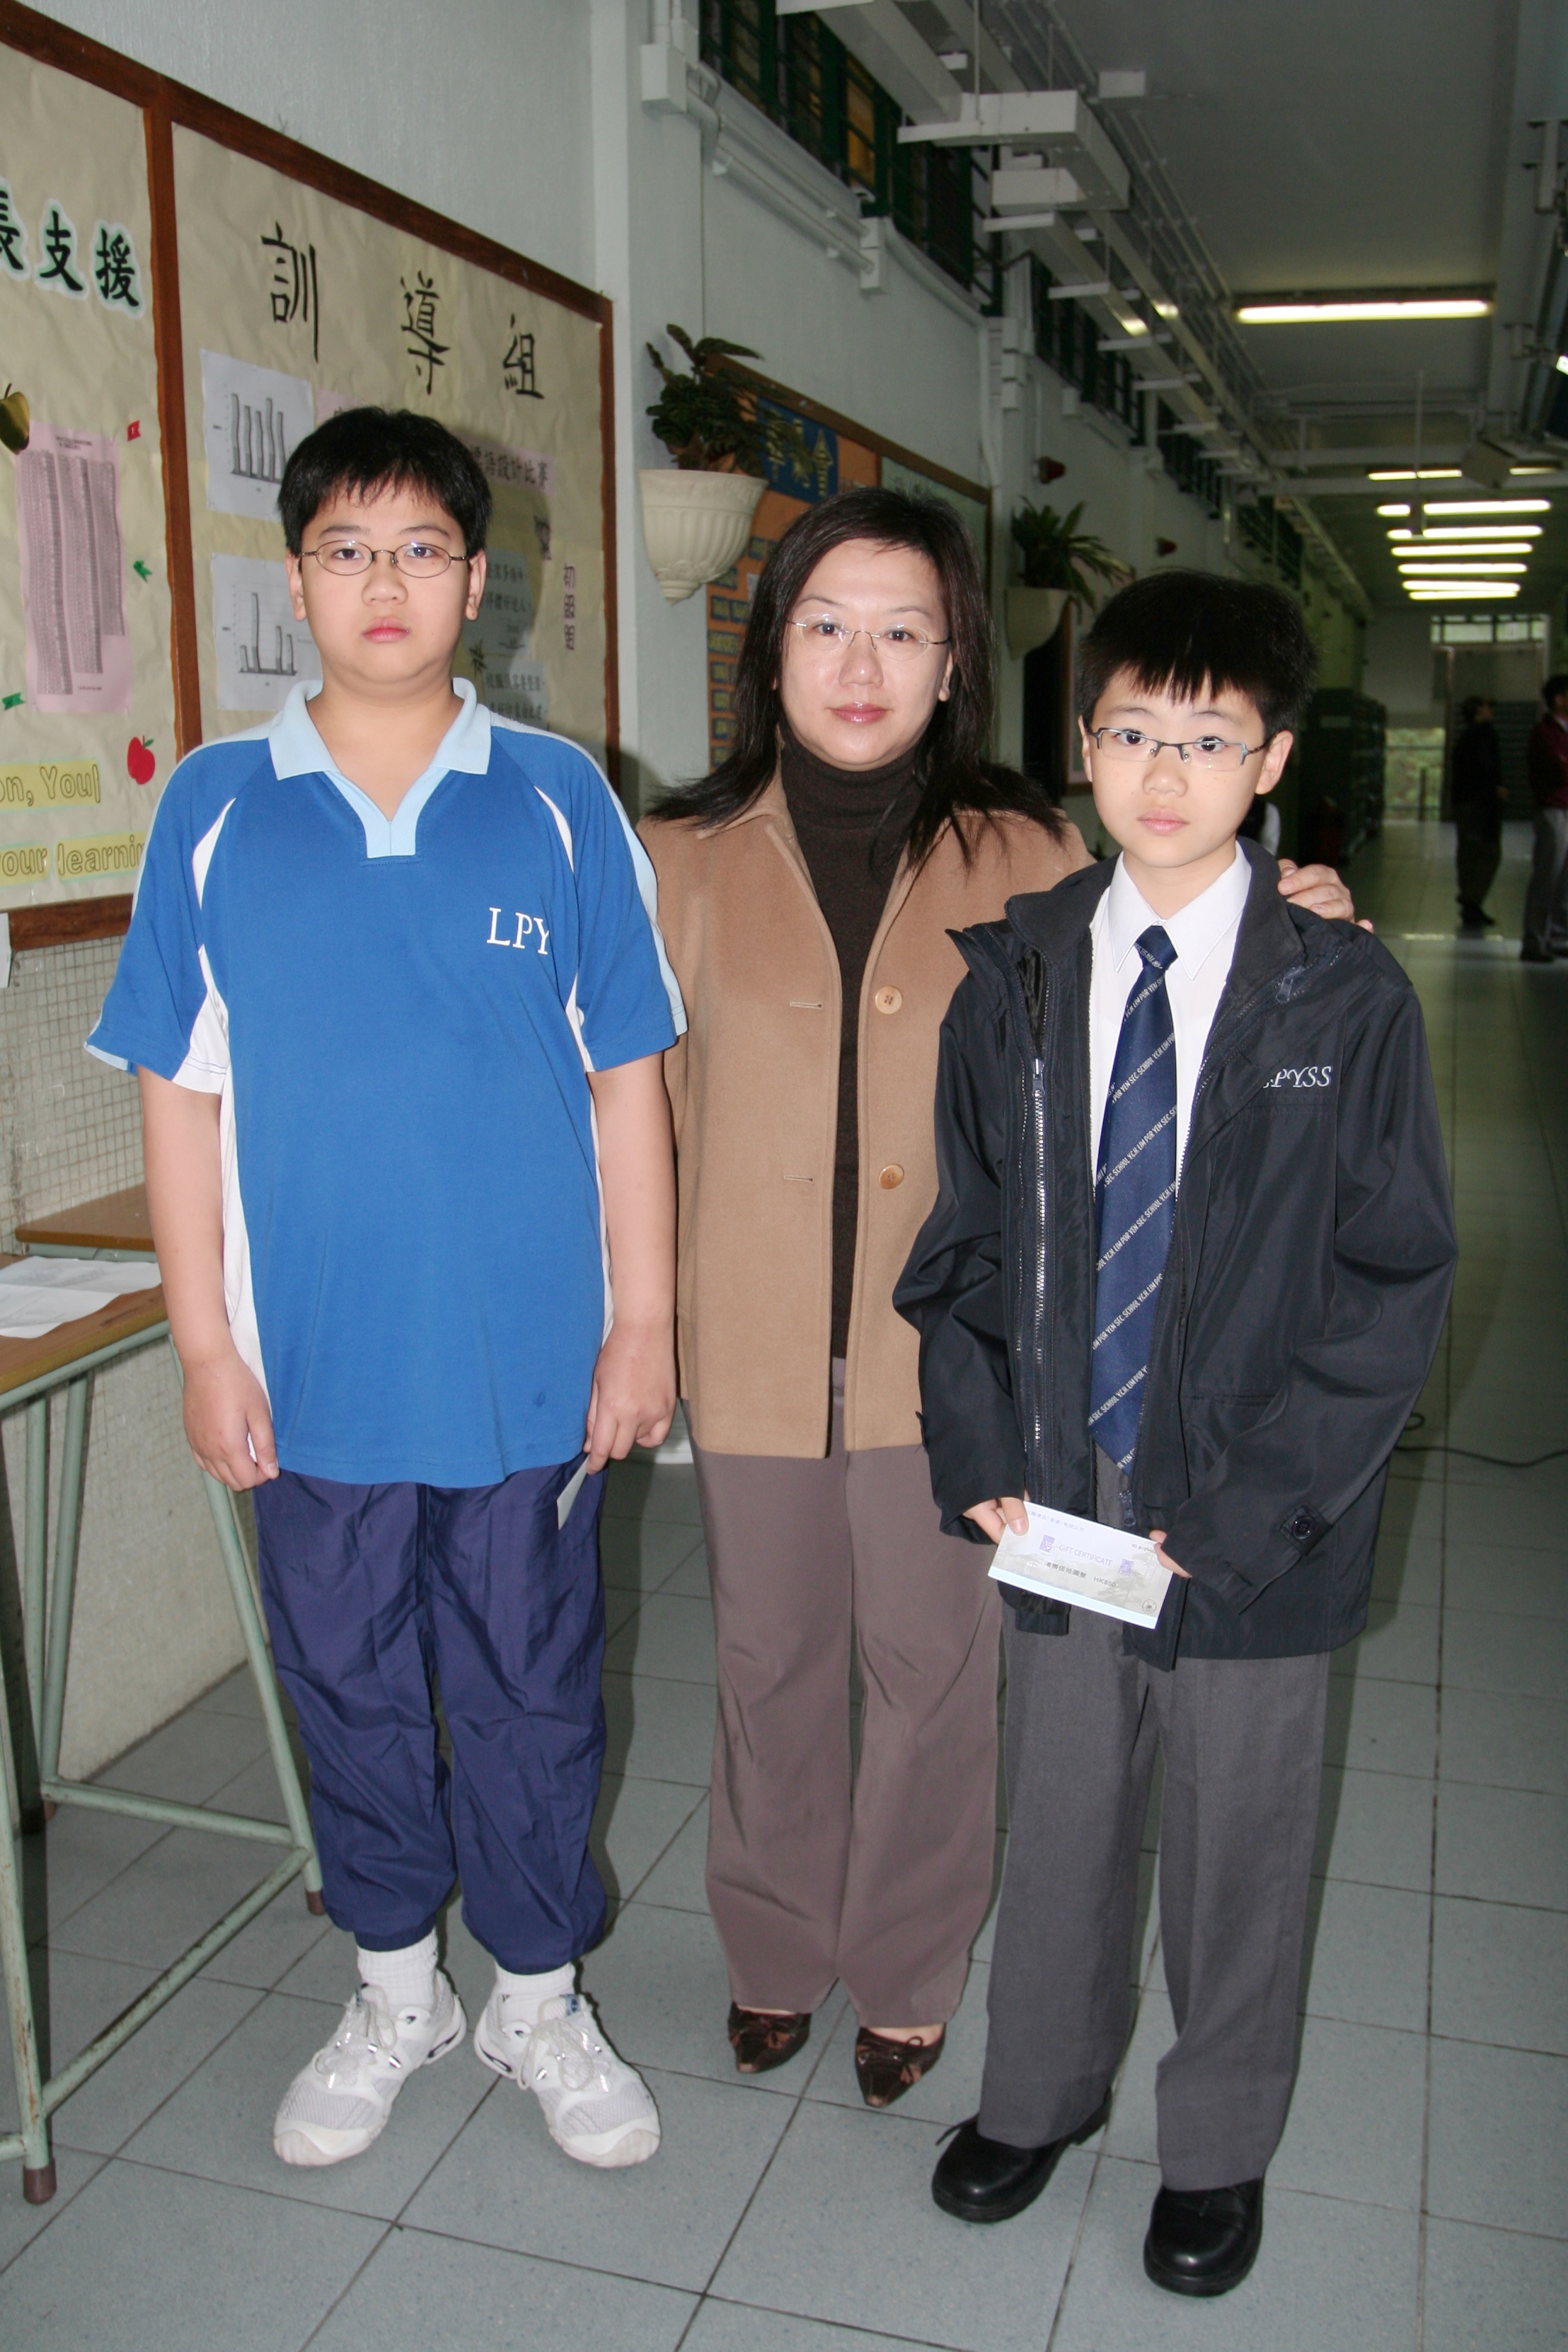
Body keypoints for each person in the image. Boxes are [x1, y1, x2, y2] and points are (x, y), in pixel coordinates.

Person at [640, 495, 1359, 2109]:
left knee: (933, 1670)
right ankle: (771, 1942)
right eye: (827, 624)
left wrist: (1295, 913)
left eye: (902, 630)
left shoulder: (1029, 851)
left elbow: (1186, 940)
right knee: (764, 1659)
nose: (862, 663)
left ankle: (904, 1964)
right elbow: (623, 1106)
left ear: (954, 658)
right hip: (745, 1343)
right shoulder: (674, 856)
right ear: (770, 647)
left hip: (957, 1358)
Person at [87, 408, 683, 2174]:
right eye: (346, 550)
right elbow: (177, 1093)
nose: (384, 583)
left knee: (529, 1689)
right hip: (314, 1373)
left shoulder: (557, 798)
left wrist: (643, 1326)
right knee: (344, 1682)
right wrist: (203, 1344)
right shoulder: (215, 808)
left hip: (524, 1375)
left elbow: (628, 1077)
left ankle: (537, 1997)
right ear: (296, 582)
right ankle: (394, 1987)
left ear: (474, 581)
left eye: (420, 548)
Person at [897, 570, 1455, 2295]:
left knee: (1238, 1838)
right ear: (1080, 745)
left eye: (1208, 740)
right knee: (1062, 1805)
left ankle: (1212, 2147)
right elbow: (962, 1241)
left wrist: (1254, 1507)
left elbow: (1392, 1275)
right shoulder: (1012, 976)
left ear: (1269, 759)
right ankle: (1037, 2092)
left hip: (1255, 1509)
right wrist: (979, 1449)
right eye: (1131, 731)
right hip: (1066, 1483)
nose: (1163, 771)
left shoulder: (1338, 996)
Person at [1521, 671, 1568, 961]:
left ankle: (1560, 936)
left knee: (1565, 880)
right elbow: (1559, 770)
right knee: (1548, 875)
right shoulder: (1545, 733)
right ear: (1559, 699)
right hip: (1553, 811)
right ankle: (1535, 939)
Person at [1451, 694, 1505, 930]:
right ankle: (1471, 899)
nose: (1490, 711)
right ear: (1478, 711)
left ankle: (1470, 907)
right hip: (1481, 805)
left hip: (1464, 803)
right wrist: (1496, 788)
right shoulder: (1485, 734)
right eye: (1487, 707)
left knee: (1468, 854)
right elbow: (1488, 766)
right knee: (1489, 852)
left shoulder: (1464, 738)